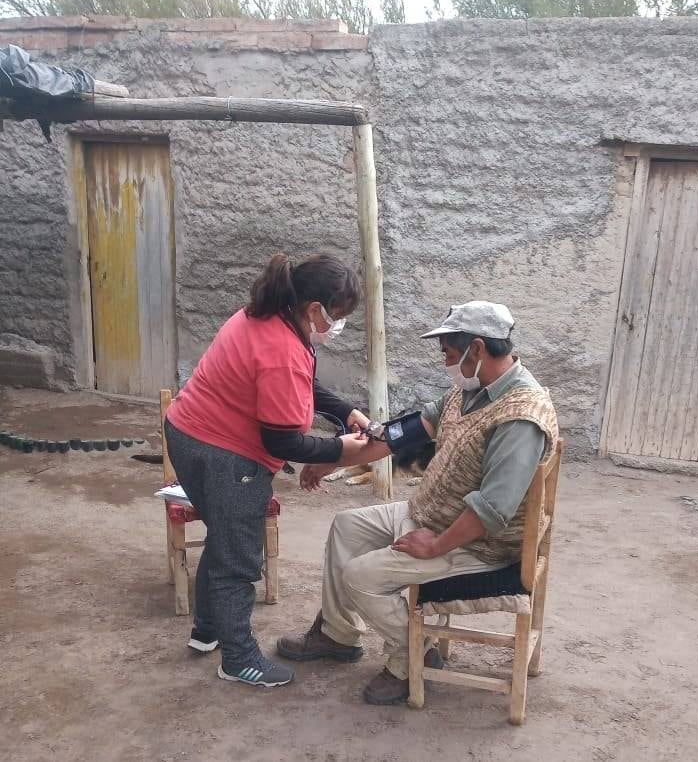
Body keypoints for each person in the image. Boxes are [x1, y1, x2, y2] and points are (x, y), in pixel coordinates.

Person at [277, 301, 559, 705]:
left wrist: (436, 546)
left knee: (360, 577)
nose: (443, 360)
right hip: (430, 513)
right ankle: (337, 635)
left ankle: (410, 656)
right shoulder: (471, 392)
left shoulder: (520, 417)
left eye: (447, 351)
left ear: (476, 349)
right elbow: (398, 437)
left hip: (476, 543)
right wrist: (328, 462)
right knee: (346, 526)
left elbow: (493, 509)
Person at [165, 253, 377, 688]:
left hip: (190, 432)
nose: (338, 327)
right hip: (225, 453)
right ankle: (239, 658)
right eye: (337, 317)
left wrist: (345, 410)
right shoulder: (282, 349)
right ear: (315, 309)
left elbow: (304, 384)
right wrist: (340, 448)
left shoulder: (268, 317)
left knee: (224, 537)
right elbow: (282, 442)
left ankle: (208, 631)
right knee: (239, 558)